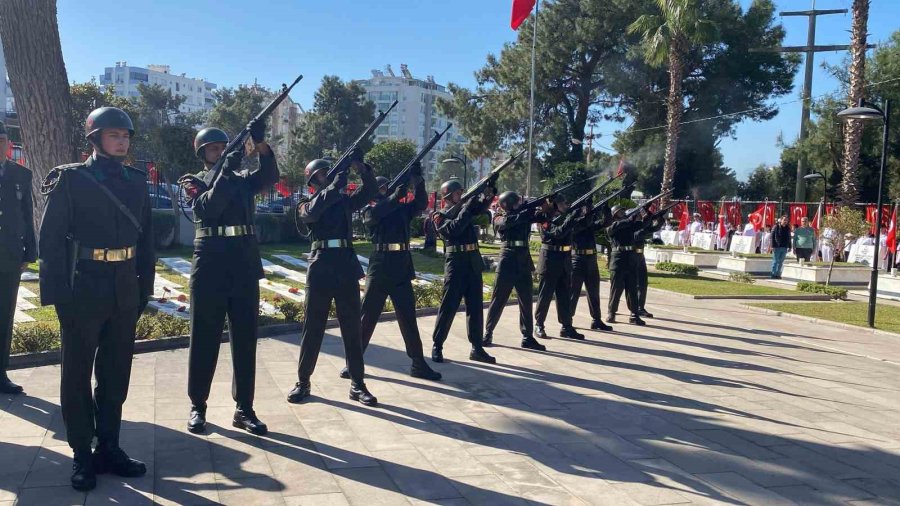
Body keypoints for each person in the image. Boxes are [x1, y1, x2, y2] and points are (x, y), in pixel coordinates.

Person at [39, 107, 154, 491]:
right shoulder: (71, 180)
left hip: (124, 288)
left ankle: (109, 447)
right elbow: (50, 242)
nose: (122, 142)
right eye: (114, 135)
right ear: (95, 138)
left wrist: (145, 287)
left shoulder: (137, 181)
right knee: (76, 375)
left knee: (115, 372)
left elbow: (147, 240)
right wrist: (58, 296)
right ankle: (81, 453)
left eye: (125, 136)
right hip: (83, 287)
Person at [181, 123, 277, 436]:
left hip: (243, 261)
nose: (220, 152)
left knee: (246, 339)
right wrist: (226, 170)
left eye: (224, 148)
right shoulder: (193, 181)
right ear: (202, 153)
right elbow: (209, 208)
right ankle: (198, 404)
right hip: (210, 263)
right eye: (214, 149)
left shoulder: (242, 179)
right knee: (204, 337)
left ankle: (244, 408)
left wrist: (260, 145)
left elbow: (269, 177)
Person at [288, 154, 378, 406]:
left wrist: (362, 169)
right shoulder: (306, 203)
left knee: (352, 328)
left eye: (329, 172)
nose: (327, 176)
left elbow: (370, 191)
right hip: (321, 267)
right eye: (322, 173)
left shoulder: (343, 201)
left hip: (345, 265)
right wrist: (335, 185)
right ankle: (303, 382)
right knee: (313, 327)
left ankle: (357, 383)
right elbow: (312, 213)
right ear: (312, 180)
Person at [346, 168, 442, 381]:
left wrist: (418, 181)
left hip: (401, 265)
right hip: (380, 265)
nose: (388, 190)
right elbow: (375, 215)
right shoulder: (370, 209)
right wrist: (394, 197)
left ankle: (418, 363)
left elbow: (420, 204)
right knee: (367, 317)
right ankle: (353, 362)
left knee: (408, 318)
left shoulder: (400, 208)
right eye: (383, 188)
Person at [430, 179, 497, 364]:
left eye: (462, 192)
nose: (461, 195)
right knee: (449, 306)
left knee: (475, 307)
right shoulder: (439, 215)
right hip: (456, 263)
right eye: (458, 193)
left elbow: (481, 208)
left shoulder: (465, 209)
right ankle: (437, 345)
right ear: (448, 197)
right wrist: (466, 207)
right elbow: (453, 229)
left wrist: (489, 192)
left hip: (472, 261)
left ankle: (477, 347)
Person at [483, 191, 546, 350]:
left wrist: (548, 206)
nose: (520, 204)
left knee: (526, 301)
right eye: (517, 202)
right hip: (508, 258)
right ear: (508, 204)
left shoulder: (524, 214)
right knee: (499, 298)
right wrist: (527, 211)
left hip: (523, 259)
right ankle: (488, 333)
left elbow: (542, 217)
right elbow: (508, 222)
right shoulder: (499, 217)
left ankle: (527, 336)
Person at [0, 122, 36, 394]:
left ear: (8, 144)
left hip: (10, 254)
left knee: (4, 315)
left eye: (1, 141)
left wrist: (30, 251)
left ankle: (0, 373)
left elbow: (27, 214)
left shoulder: (21, 174)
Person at [534, 194, 585, 340]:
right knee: (545, 295)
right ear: (554, 205)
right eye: (562, 203)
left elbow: (582, 225)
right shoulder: (543, 218)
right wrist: (572, 216)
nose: (565, 206)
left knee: (564, 296)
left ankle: (567, 326)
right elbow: (558, 233)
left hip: (564, 260)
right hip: (550, 260)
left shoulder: (564, 218)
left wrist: (585, 211)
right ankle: (539, 324)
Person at [569, 199, 613, 332]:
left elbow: (606, 222)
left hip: (591, 259)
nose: (589, 209)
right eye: (586, 208)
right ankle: (567, 320)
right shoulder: (574, 223)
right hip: (577, 259)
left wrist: (606, 209)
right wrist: (589, 211)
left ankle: (596, 320)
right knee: (573, 292)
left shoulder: (590, 223)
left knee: (594, 292)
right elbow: (584, 223)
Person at [605, 206, 645, 325]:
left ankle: (634, 315)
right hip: (618, 258)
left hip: (630, 257)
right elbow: (615, 227)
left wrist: (647, 214)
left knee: (632, 288)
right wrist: (629, 219)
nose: (623, 212)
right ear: (614, 214)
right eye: (620, 211)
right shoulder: (611, 225)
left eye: (623, 211)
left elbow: (643, 225)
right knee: (616, 288)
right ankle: (611, 312)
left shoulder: (628, 224)